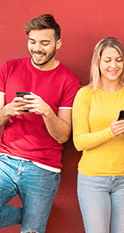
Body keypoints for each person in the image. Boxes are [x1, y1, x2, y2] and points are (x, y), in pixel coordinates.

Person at [0, 14, 80, 232]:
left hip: (43, 168)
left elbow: (63, 136)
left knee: (32, 231)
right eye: (32, 42)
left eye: (45, 43)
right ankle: (31, 216)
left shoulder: (69, 80)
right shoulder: (9, 68)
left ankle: (33, 221)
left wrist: (47, 112)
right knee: (32, 222)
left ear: (58, 43)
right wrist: (7, 110)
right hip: (6, 160)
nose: (37, 48)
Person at [72, 37, 124, 233]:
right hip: (93, 180)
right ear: (98, 62)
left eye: (119, 60)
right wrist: (110, 132)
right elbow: (79, 142)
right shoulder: (85, 94)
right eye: (108, 60)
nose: (114, 65)